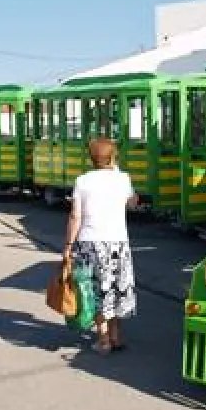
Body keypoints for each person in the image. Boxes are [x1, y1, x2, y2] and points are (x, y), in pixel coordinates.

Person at [63, 137, 139, 355]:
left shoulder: (82, 181)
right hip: (118, 243)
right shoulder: (122, 179)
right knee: (115, 288)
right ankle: (115, 337)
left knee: (96, 290)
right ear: (113, 157)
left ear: (91, 158)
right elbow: (133, 203)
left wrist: (68, 245)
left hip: (90, 243)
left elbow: (75, 216)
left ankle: (104, 339)